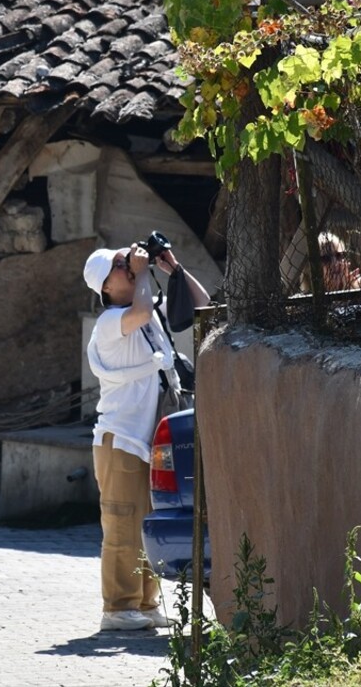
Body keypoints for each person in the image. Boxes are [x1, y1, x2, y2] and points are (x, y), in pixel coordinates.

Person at [82, 241, 209, 632]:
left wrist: (174, 269)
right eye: (121, 265)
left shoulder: (146, 312)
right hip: (120, 440)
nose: (130, 266)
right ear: (105, 287)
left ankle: (145, 602)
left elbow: (202, 305)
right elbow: (138, 310)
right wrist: (141, 273)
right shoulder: (110, 323)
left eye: (128, 261)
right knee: (122, 523)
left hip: (151, 442)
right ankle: (117, 608)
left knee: (147, 521)